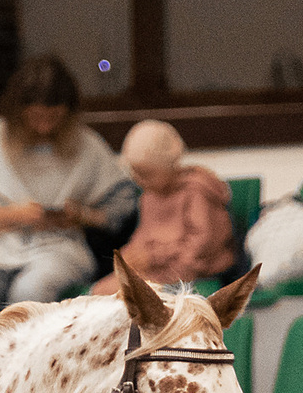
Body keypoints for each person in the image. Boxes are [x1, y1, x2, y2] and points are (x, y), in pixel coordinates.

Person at [0, 55, 138, 328]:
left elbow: (121, 206)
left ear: (68, 113)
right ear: (17, 112)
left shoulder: (86, 144)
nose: (44, 126)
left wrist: (81, 215)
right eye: (35, 117)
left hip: (57, 247)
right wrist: (13, 215)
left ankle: (29, 355)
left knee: (31, 289)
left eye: (54, 117)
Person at [90, 120, 237, 290]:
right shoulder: (149, 196)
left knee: (121, 292)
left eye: (146, 174)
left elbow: (202, 246)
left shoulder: (197, 192)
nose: (139, 180)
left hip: (196, 274)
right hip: (158, 270)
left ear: (168, 165)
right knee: (100, 290)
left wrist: (155, 257)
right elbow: (143, 235)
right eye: (134, 172)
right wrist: (130, 254)